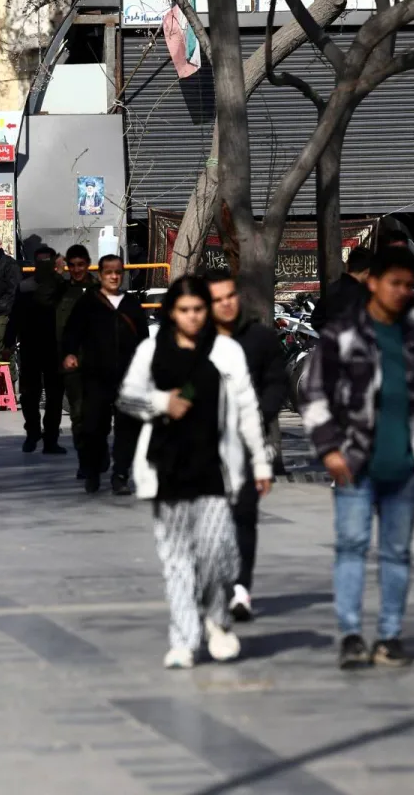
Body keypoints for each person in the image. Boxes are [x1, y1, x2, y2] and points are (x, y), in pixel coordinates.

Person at [299, 246, 414, 670]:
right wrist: (329, 449)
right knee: (351, 547)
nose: (403, 291)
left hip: (406, 465)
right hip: (354, 463)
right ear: (372, 283)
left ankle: (390, 635)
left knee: (397, 552)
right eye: (395, 283)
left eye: (409, 285)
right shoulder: (344, 333)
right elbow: (313, 393)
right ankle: (351, 634)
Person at [117, 275, 273, 669]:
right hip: (167, 468)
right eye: (184, 310)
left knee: (216, 553)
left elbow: (248, 408)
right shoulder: (152, 350)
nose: (191, 317)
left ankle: (217, 620)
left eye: (198, 310)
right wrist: (160, 401)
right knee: (176, 559)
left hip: (215, 469)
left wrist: (258, 460)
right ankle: (185, 639)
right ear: (172, 311)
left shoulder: (226, 352)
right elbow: (128, 397)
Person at [205, 268, 290, 622]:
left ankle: (241, 589)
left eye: (230, 297)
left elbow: (276, 383)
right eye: (217, 300)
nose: (225, 305)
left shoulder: (259, 338)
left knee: (244, 516)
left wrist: (261, 412)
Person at [63, 254, 147, 494]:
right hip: (96, 376)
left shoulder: (131, 304)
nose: (113, 276)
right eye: (108, 272)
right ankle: (93, 470)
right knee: (93, 427)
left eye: (118, 272)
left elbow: (143, 339)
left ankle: (120, 474)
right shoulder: (88, 302)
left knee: (127, 428)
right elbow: (72, 332)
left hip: (128, 378)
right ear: (100, 275)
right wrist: (69, 353)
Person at [4, 246, 67, 455]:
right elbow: (15, 315)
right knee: (30, 395)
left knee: (54, 395)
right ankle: (33, 433)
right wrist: (8, 341)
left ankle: (50, 438)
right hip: (31, 347)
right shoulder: (25, 287)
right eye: (40, 260)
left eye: (46, 260)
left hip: (55, 348)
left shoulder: (62, 286)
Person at [54, 245, 99, 446]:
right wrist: (56, 272)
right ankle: (85, 458)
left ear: (88, 264)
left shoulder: (100, 291)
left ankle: (98, 451)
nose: (77, 269)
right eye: (72, 265)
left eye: (81, 265)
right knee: (78, 412)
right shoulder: (61, 291)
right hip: (71, 360)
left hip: (97, 360)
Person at [311, 246, 372, 330]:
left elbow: (316, 320)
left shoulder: (332, 288)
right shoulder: (361, 296)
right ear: (367, 272)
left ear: (347, 265)